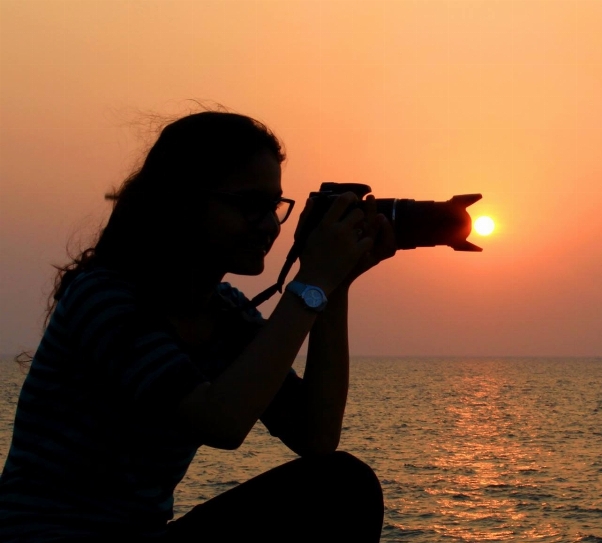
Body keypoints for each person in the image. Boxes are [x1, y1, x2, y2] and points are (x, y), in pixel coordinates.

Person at [0, 111, 394, 541]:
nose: (268, 225)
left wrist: (336, 287)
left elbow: (315, 436)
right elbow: (219, 420)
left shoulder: (224, 312)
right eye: (249, 205)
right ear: (182, 201)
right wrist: (313, 282)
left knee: (341, 486)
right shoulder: (105, 298)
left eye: (275, 207)